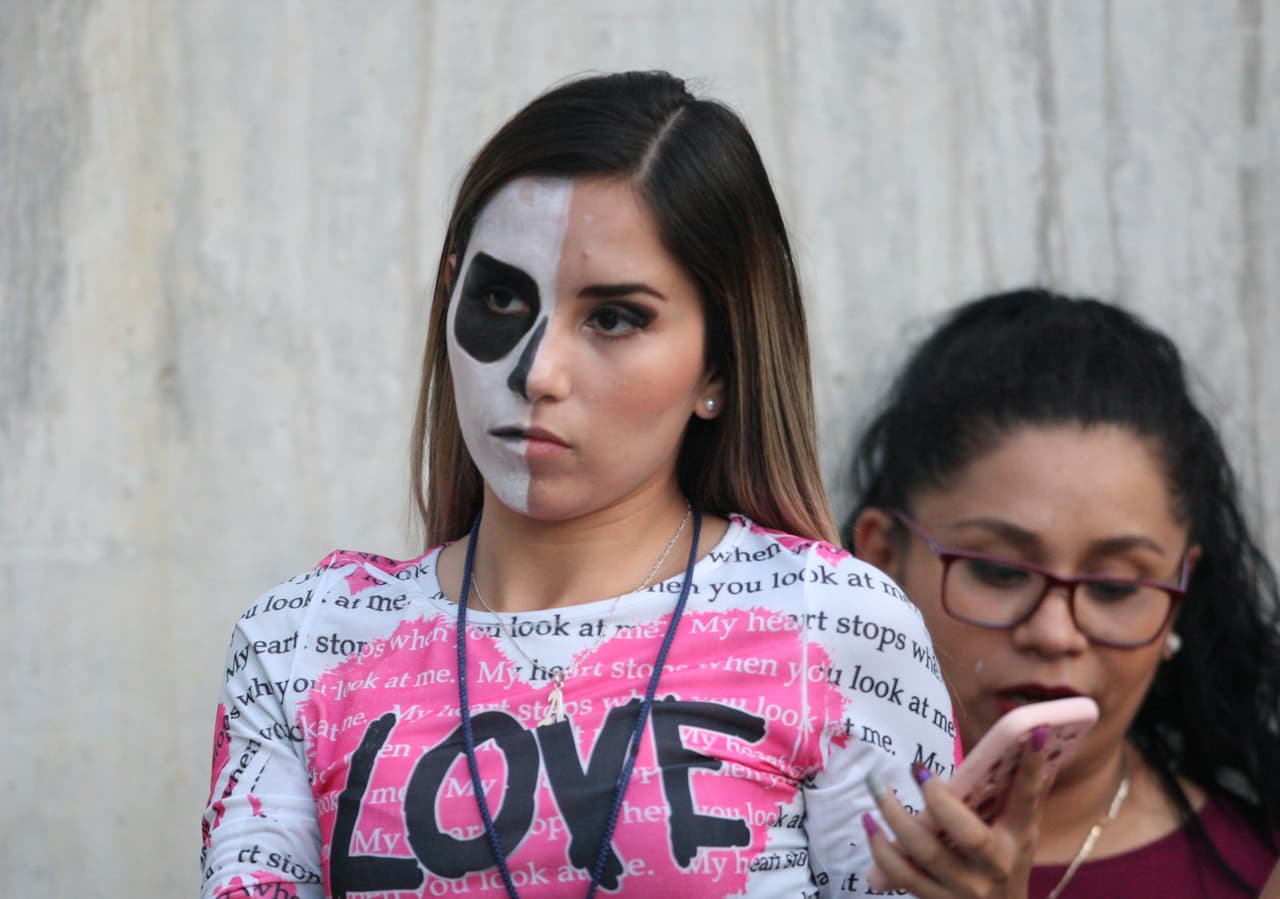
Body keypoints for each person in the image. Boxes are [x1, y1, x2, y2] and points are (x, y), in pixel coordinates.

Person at [201, 71, 983, 898]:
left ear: (718, 361)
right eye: (501, 295)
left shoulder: (838, 629)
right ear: (449, 293)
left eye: (613, 317)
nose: (537, 371)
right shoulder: (303, 644)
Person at [847, 289, 1280, 897]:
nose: (1055, 633)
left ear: (1178, 597)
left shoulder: (1258, 873)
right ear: (883, 560)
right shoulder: (759, 828)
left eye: (1114, 586)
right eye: (999, 571)